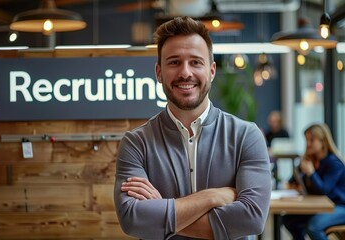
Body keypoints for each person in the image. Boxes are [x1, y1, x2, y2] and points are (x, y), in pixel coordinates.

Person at [113, 16, 271, 240]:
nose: (185, 72)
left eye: (196, 62)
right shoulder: (136, 143)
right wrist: (212, 197)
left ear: (212, 71)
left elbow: (252, 218)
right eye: (174, 62)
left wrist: (160, 214)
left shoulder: (246, 135)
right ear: (159, 72)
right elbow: (132, 219)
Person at [282, 123, 345, 240]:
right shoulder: (311, 160)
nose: (308, 144)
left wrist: (311, 173)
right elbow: (293, 181)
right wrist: (300, 172)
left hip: (340, 206)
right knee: (288, 219)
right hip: (321, 207)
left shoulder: (334, 163)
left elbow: (324, 191)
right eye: (306, 140)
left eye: (312, 140)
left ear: (323, 141)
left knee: (313, 227)